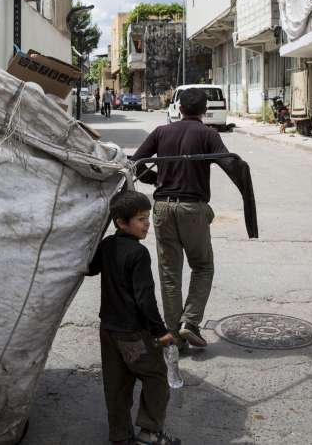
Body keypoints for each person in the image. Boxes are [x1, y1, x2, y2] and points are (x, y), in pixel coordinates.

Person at [130, 89, 258, 350]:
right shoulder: (209, 135)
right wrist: (243, 178)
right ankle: (190, 322)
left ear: (179, 108)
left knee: (169, 275)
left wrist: (156, 180)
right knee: (202, 267)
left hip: (163, 208)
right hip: (192, 209)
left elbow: (137, 163)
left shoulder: (161, 132)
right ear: (203, 110)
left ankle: (174, 337)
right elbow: (230, 164)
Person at [88, 191, 181, 445]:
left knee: (116, 385)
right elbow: (145, 300)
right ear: (121, 222)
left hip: (108, 329)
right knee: (156, 376)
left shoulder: (107, 245)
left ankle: (119, 436)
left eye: (147, 218)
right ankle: (150, 432)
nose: (147, 224)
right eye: (140, 219)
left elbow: (89, 269)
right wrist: (161, 332)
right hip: (132, 333)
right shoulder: (138, 254)